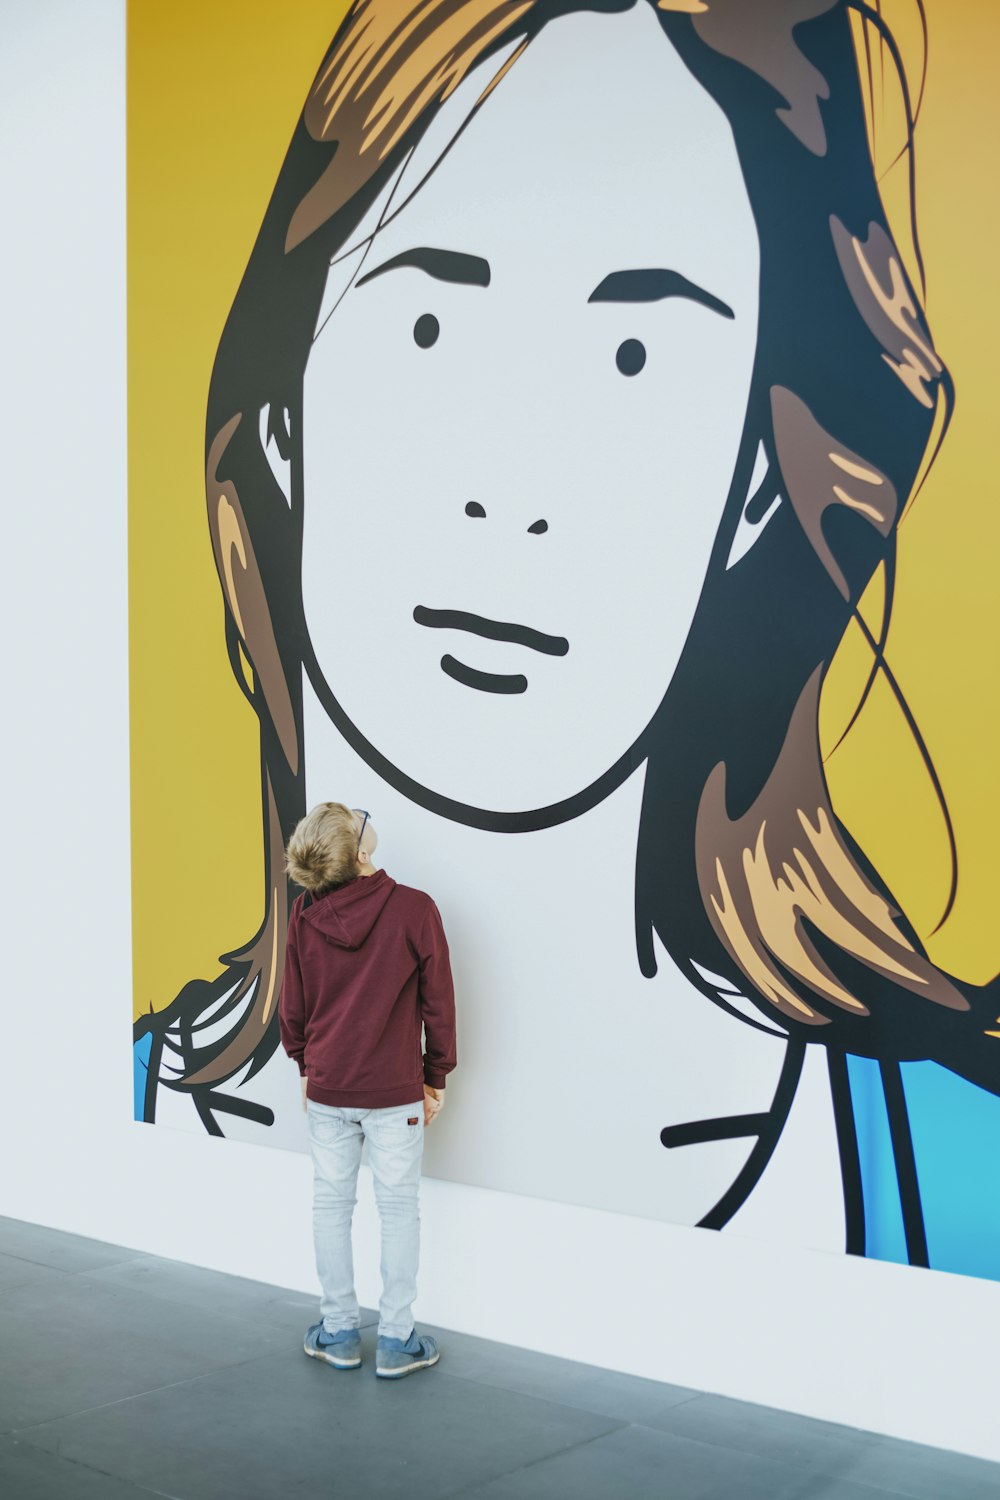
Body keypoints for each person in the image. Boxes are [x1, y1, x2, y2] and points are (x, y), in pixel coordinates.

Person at [133, 0, 1000, 1280]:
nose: (510, 487)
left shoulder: (947, 1152)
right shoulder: (139, 1089)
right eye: (427, 324)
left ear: (757, 483)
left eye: (637, 353)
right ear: (284, 424)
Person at [278, 802, 456, 1378]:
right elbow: (439, 1004)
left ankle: (337, 1332)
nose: (364, 816)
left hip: (328, 1089)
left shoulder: (305, 916)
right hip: (394, 1093)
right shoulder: (414, 909)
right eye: (358, 818)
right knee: (398, 1208)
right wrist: (436, 1075)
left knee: (331, 1204)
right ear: (359, 852)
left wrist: (307, 1064)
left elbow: (293, 1007)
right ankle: (398, 1341)